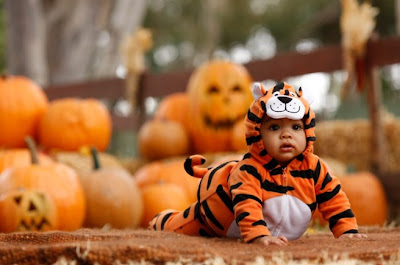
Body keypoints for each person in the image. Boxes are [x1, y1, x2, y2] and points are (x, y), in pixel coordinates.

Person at [149, 82, 367, 247]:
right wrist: (259, 235)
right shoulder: (249, 170)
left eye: (296, 128)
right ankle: (162, 219)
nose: (286, 135)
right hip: (221, 213)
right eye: (274, 128)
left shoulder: (315, 167)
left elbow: (334, 199)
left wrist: (347, 230)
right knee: (185, 225)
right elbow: (247, 202)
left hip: (274, 227)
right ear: (257, 133)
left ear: (308, 131)